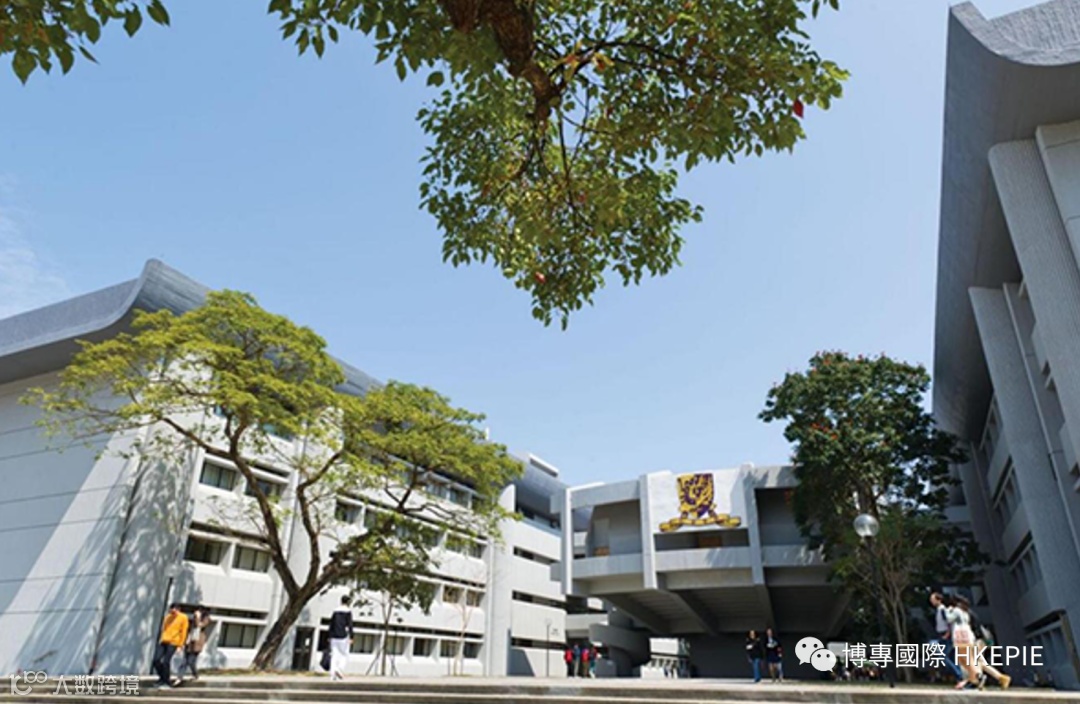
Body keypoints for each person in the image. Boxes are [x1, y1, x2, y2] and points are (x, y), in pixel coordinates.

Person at [956, 596, 1011, 690]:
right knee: (981, 662)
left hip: (975, 641)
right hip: (980, 640)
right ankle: (1001, 678)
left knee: (974, 662)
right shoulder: (970, 613)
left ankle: (977, 682)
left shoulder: (965, 615)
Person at [944, 594, 980, 690]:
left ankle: (976, 678)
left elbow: (949, 619)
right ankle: (973, 677)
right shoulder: (965, 611)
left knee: (966, 659)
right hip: (967, 635)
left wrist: (947, 611)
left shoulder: (956, 610)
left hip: (961, 637)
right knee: (962, 659)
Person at [928, 592, 965, 683]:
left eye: (933, 599)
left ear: (939, 600)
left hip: (945, 635)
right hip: (942, 634)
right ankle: (959, 676)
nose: (932, 601)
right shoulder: (939, 610)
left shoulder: (943, 610)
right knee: (951, 657)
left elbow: (949, 622)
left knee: (943, 656)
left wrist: (947, 634)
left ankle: (959, 675)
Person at [152, 603, 189, 689]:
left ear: (178, 609)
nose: (172, 612)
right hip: (164, 640)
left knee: (166, 661)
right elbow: (164, 628)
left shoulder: (183, 617)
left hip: (174, 642)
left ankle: (166, 681)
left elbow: (184, 631)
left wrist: (181, 644)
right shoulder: (168, 617)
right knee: (156, 660)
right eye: (171, 610)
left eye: (174, 610)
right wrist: (162, 638)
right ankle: (162, 677)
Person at [181, 607, 213, 681]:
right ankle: (180, 676)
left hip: (197, 641)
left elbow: (199, 625)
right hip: (190, 640)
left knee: (191, 661)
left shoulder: (206, 619)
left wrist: (198, 617)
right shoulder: (194, 618)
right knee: (185, 660)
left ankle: (195, 674)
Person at [328, 595, 354, 682]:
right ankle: (339, 670)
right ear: (348, 602)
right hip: (343, 636)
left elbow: (331, 624)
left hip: (334, 636)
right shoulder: (348, 611)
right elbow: (350, 624)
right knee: (344, 654)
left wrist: (329, 635)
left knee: (334, 655)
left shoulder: (335, 611)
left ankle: (332, 675)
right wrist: (351, 636)